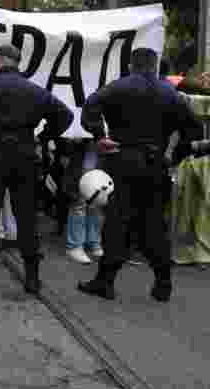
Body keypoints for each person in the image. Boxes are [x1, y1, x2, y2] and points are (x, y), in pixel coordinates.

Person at [77, 47, 202, 303]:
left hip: (122, 160)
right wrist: (175, 155)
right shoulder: (171, 94)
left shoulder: (118, 87)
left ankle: (105, 281)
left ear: (131, 65)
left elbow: (91, 104)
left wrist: (100, 135)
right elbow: (194, 129)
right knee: (153, 224)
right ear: (155, 66)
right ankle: (163, 282)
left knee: (117, 221)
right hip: (156, 164)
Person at [0, 44, 74, 294]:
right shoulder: (34, 90)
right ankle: (32, 278)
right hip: (25, 156)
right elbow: (65, 116)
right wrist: (43, 137)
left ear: (0, 60)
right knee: (27, 217)